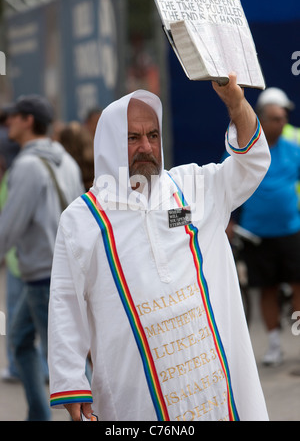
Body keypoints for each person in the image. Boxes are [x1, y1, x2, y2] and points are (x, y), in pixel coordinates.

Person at [48, 74, 270, 421]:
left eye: (152, 135)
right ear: (108, 143)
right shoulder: (82, 220)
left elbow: (251, 163)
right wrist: (71, 380)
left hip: (213, 385)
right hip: (136, 394)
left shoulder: (193, 188)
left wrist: (235, 103)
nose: (147, 147)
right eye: (132, 138)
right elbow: (65, 300)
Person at [0, 94, 84, 420]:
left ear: (29, 121)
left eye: (14, 116)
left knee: (64, 360)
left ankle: (95, 417)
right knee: (23, 341)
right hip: (64, 268)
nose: (8, 122)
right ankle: (38, 413)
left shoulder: (27, 166)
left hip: (41, 274)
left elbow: (9, 226)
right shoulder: (67, 161)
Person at [236, 92, 300, 367]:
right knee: (266, 289)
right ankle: (274, 345)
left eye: (284, 118)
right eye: (276, 118)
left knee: (299, 286)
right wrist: (227, 222)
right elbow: (226, 187)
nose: (282, 122)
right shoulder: (244, 150)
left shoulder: (294, 149)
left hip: (291, 231)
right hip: (257, 235)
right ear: (262, 120)